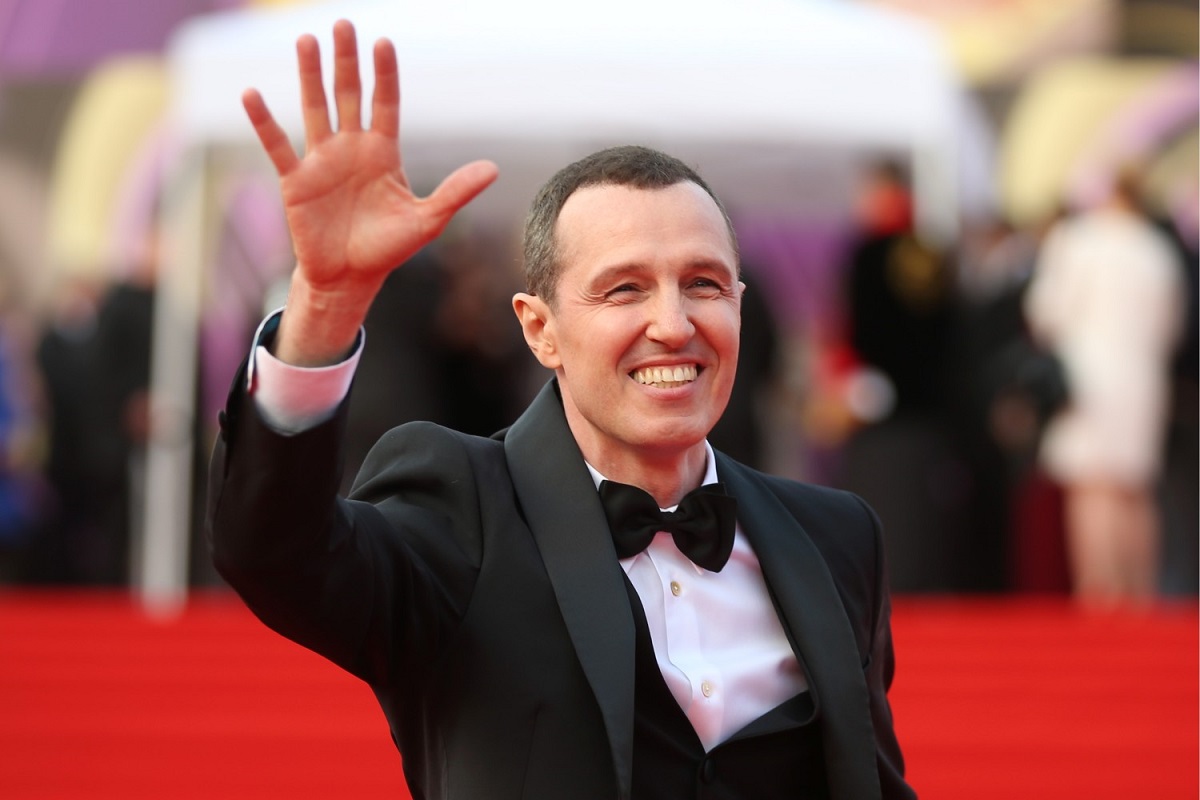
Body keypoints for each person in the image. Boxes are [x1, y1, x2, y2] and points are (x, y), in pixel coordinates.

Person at [208, 20, 914, 799]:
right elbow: (276, 554)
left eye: (704, 284)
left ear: (740, 305)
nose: (673, 323)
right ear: (540, 329)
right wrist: (325, 306)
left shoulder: (837, 537)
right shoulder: (459, 507)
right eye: (624, 289)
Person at [1023, 170, 1185, 605]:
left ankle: (1101, 591)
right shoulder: (1157, 250)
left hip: (1088, 378)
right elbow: (1172, 327)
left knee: (1092, 489)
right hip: (1144, 379)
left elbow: (1047, 312)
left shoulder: (1079, 241)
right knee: (1134, 490)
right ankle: (1140, 592)